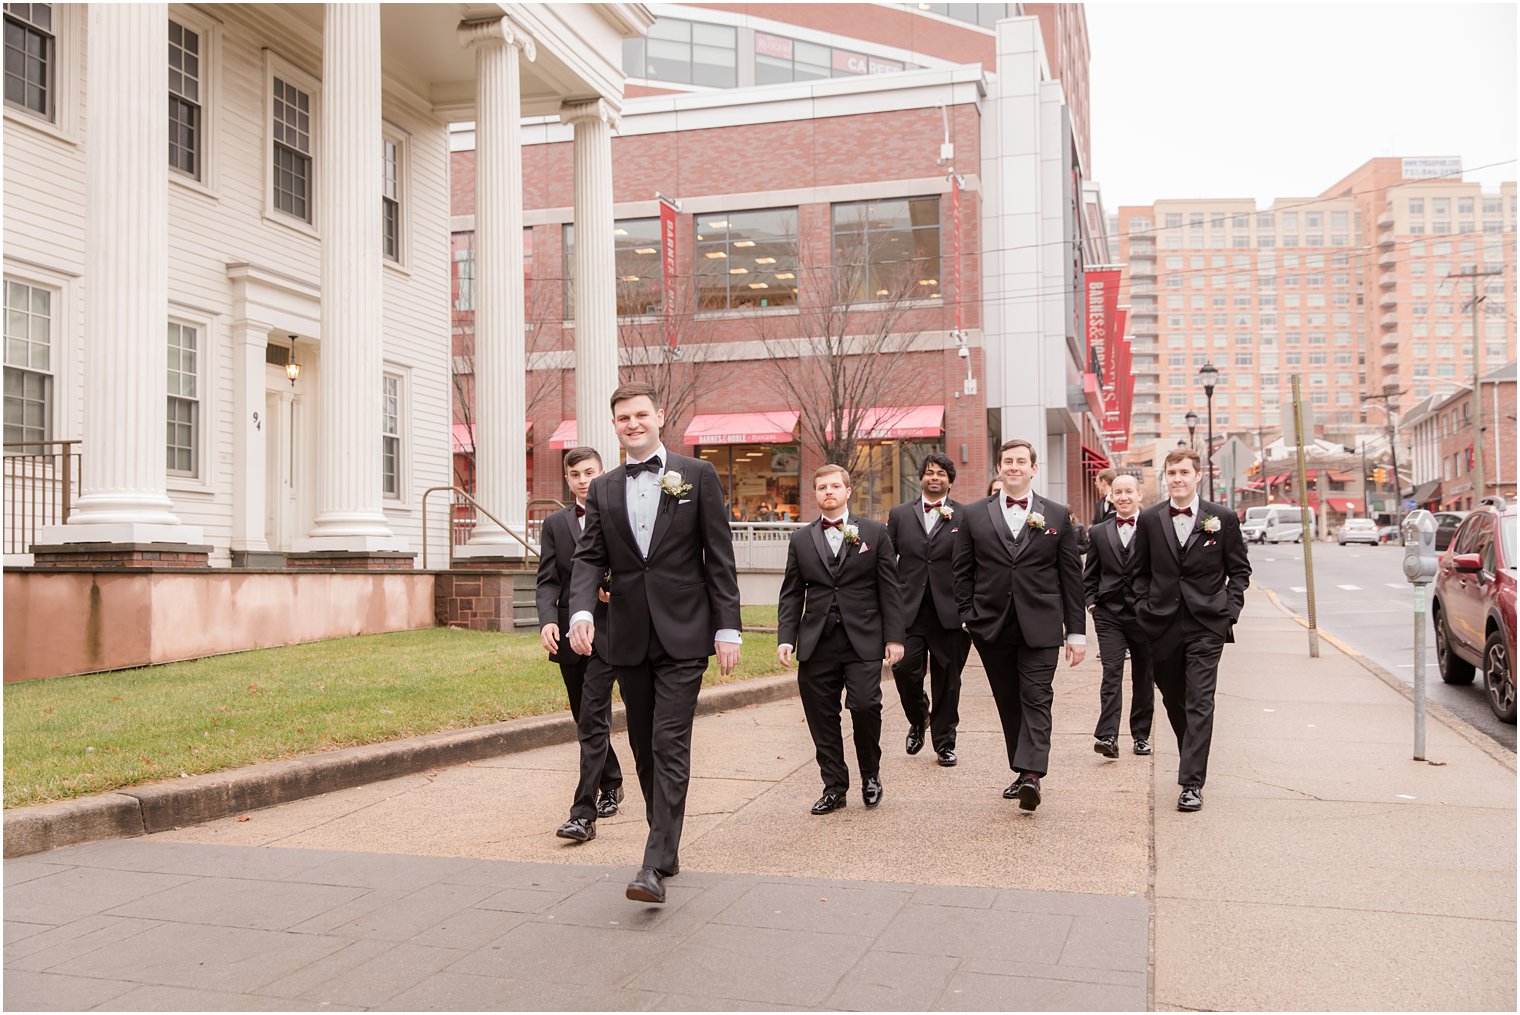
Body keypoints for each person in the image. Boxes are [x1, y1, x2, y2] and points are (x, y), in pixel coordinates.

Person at [567, 382, 742, 903]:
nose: (633, 423)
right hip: (628, 635)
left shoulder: (697, 475)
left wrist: (727, 627)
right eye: (623, 418)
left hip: (685, 632)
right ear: (615, 424)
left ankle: (652, 864)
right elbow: (588, 558)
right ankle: (665, 841)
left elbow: (720, 554)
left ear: (659, 416)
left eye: (641, 414)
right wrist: (581, 609)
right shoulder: (602, 488)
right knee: (643, 746)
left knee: (669, 743)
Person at [952, 438, 1085, 812]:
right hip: (990, 626)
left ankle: (1031, 774)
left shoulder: (1057, 515)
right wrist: (967, 617)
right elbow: (962, 571)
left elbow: (1070, 578)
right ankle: (1023, 770)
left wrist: (1075, 632)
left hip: (1041, 624)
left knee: (1037, 697)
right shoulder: (974, 514)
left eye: (1021, 461)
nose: (1014, 466)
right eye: (1007, 461)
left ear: (1033, 469)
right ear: (999, 467)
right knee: (1009, 701)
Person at [777, 465, 905, 814]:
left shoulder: (875, 533)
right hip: (817, 641)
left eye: (835, 486)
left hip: (862, 639)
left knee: (865, 706)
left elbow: (889, 589)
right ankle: (834, 786)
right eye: (821, 487)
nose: (828, 491)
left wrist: (894, 637)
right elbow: (791, 593)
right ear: (815, 494)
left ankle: (871, 774)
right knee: (821, 716)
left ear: (848, 491)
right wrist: (786, 637)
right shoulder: (801, 539)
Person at [1131, 447, 1251, 812]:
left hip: (1206, 623)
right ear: (1165, 477)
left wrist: (1228, 611)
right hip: (1162, 622)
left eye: (1184, 472)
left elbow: (1240, 571)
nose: (1177, 478)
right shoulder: (1150, 520)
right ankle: (1192, 756)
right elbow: (1138, 571)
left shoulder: (1223, 518)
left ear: (1198, 475)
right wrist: (1144, 609)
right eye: (1171, 473)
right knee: (1174, 698)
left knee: (1201, 699)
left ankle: (1191, 782)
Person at [886, 453, 971, 766]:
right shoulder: (899, 514)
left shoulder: (966, 516)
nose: (935, 478)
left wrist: (971, 610)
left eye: (941, 474)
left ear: (950, 481)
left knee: (948, 681)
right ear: (921, 477)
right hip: (909, 611)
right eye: (930, 472)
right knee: (905, 671)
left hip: (951, 614)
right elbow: (886, 560)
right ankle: (919, 717)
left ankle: (945, 743)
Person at [1082, 473, 1154, 760]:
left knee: (1143, 675)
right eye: (1118, 492)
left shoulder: (1154, 527)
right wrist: (1092, 604)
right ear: (1110, 496)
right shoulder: (1099, 531)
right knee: (1111, 673)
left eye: (1128, 492)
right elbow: (1091, 573)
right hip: (1109, 613)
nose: (1123, 497)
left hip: (1145, 615)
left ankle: (1141, 735)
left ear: (1139, 495)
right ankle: (1108, 735)